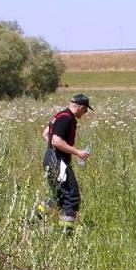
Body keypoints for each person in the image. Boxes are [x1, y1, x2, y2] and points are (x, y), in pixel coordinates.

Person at [40, 93, 93, 229]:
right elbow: (57, 141)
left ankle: (32, 220)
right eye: (86, 109)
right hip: (59, 161)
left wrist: (53, 148)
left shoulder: (59, 115)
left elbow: (46, 134)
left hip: (49, 158)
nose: (85, 113)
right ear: (81, 107)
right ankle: (67, 233)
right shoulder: (67, 118)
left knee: (58, 196)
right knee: (72, 196)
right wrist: (78, 152)